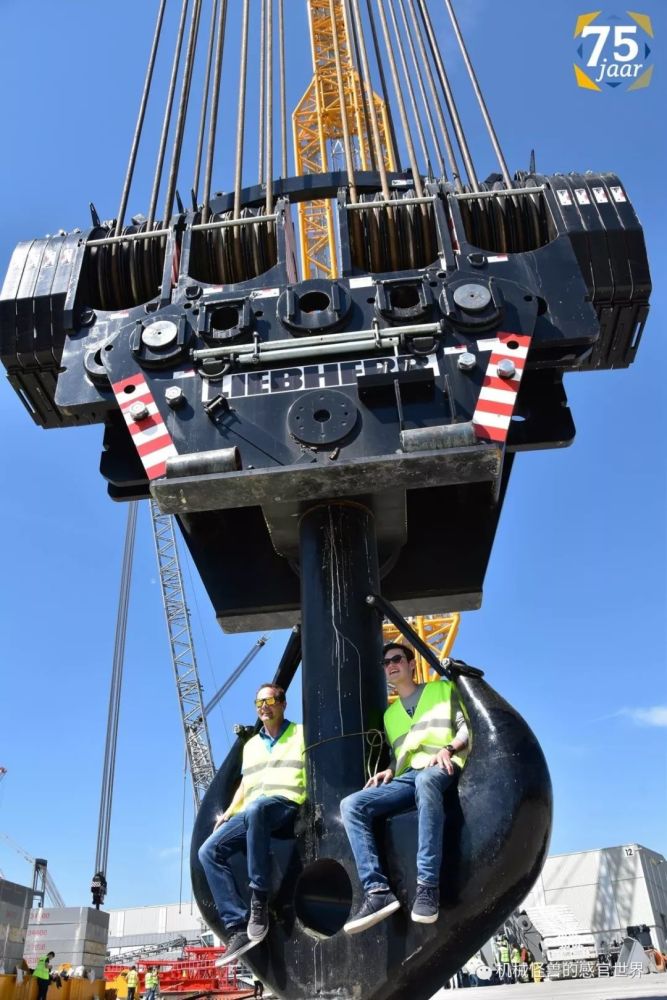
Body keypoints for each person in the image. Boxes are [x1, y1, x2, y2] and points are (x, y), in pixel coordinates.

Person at [340, 643, 469, 933]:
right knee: (352, 805)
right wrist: (389, 769)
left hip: (442, 766)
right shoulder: (390, 715)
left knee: (426, 780)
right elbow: (400, 753)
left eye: (396, 659)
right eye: (385, 663)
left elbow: (466, 727)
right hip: (409, 774)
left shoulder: (441, 690)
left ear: (412, 664)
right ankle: (377, 892)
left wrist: (449, 748)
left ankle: (427, 887)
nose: (390, 666)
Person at [198, 683, 306, 966]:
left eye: (269, 700)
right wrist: (230, 812)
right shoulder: (252, 746)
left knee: (258, 808)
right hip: (253, 811)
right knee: (208, 851)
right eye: (258, 702)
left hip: (286, 804)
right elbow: (247, 783)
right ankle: (237, 925)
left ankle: (259, 899)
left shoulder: (301, 734)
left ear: (282, 703)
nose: (263, 707)